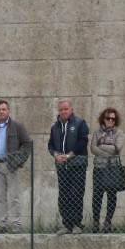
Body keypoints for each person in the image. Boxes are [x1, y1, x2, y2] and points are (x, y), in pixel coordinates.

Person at [0, 100, 32, 233]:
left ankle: (16, 224)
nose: (1, 111)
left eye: (4, 109)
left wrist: (18, 160)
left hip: (11, 166)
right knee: (0, 197)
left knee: (14, 196)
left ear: (8, 111)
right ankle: (2, 224)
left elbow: (27, 144)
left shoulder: (17, 126)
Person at [48, 99, 89, 234]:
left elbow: (83, 141)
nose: (63, 111)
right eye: (61, 109)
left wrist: (70, 155)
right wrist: (56, 155)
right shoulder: (55, 127)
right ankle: (67, 225)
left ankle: (77, 224)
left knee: (76, 194)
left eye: (66, 109)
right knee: (64, 196)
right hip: (62, 167)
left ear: (71, 109)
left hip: (77, 166)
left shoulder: (80, 123)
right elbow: (50, 145)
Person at [89, 107, 125, 233]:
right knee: (97, 196)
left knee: (111, 195)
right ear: (103, 119)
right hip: (99, 168)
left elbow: (117, 149)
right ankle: (95, 222)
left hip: (113, 168)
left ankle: (108, 222)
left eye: (113, 119)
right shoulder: (97, 132)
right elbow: (92, 149)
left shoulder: (119, 133)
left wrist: (102, 146)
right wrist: (108, 149)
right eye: (108, 118)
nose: (110, 121)